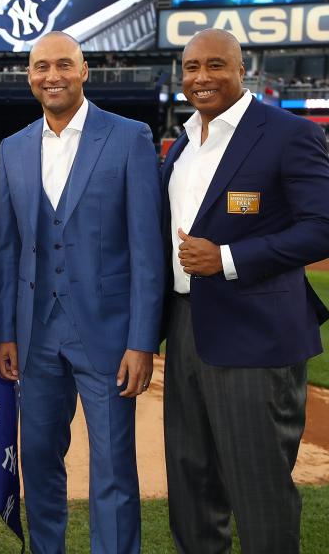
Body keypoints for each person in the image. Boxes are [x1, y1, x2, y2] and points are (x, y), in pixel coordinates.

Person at [0, 31, 163, 554]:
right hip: (36, 333)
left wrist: (142, 341)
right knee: (39, 459)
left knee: (113, 465)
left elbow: (147, 249)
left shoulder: (129, 137)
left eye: (64, 64)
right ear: (29, 76)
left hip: (108, 335)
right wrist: (7, 333)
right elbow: (7, 250)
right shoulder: (14, 147)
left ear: (84, 70)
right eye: (41, 66)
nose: (53, 76)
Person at [161, 28, 329, 554]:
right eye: (191, 68)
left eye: (215, 65)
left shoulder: (287, 133)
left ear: (241, 71)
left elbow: (322, 225)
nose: (201, 77)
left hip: (256, 336)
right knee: (191, 486)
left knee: (259, 490)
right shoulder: (185, 141)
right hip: (186, 329)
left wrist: (229, 258)